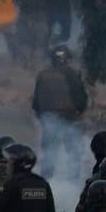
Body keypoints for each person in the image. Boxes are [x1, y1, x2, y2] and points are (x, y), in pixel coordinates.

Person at [30, 45, 89, 174]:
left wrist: (42, 118)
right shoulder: (72, 74)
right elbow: (80, 97)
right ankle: (74, 178)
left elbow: (36, 103)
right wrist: (81, 112)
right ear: (67, 59)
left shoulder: (42, 75)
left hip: (48, 117)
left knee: (50, 151)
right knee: (73, 150)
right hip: (69, 117)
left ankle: (47, 179)